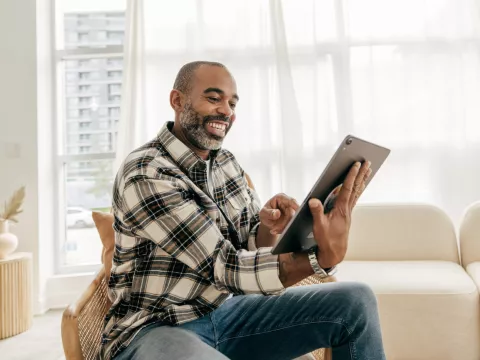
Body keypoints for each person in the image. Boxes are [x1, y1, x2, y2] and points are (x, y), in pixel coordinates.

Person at [100, 61, 386, 360]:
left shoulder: (225, 162)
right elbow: (228, 267)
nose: (226, 111)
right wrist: (319, 259)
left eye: (232, 103)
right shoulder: (146, 173)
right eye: (213, 98)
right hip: (156, 328)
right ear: (177, 100)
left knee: (356, 301)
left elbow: (250, 245)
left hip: (226, 313)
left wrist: (269, 227)